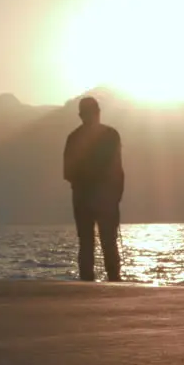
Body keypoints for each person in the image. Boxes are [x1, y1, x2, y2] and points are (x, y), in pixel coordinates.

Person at [62, 96, 124, 282]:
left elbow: (67, 172)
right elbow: (117, 169)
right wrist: (115, 195)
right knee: (107, 243)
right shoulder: (111, 135)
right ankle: (113, 280)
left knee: (87, 244)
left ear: (81, 115)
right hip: (104, 199)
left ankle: (87, 284)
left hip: (84, 198)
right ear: (98, 112)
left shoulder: (73, 138)